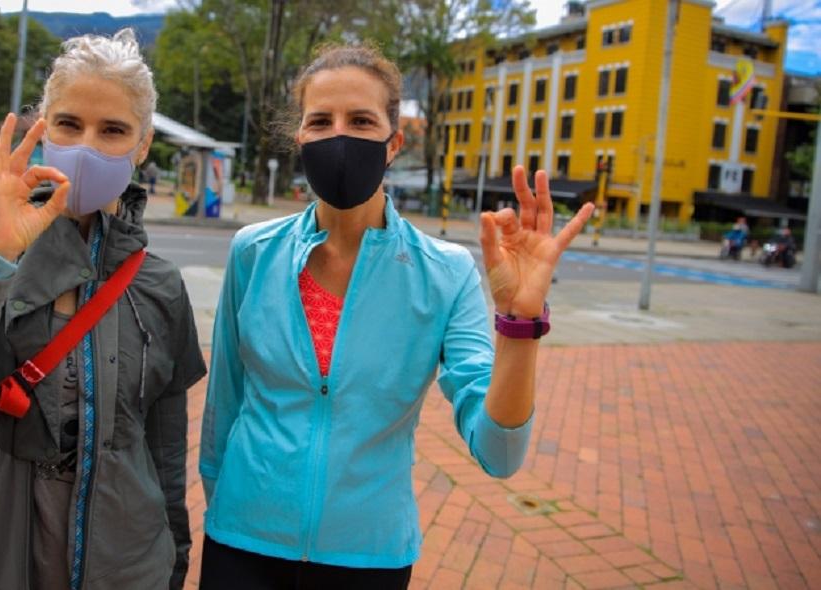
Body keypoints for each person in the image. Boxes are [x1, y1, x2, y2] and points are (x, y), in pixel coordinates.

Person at [198, 44, 594, 588]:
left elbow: (499, 452)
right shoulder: (252, 251)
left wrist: (519, 325)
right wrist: (220, 507)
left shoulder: (445, 272)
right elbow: (225, 402)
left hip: (369, 557)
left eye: (361, 120)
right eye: (321, 121)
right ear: (301, 138)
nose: (340, 136)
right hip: (242, 543)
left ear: (393, 143)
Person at [0, 29, 205, 590]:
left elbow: (164, 445)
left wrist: (174, 559)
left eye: (112, 130)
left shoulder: (160, 285)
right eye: (68, 124)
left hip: (129, 567)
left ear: (143, 144)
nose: (87, 146)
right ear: (42, 128)